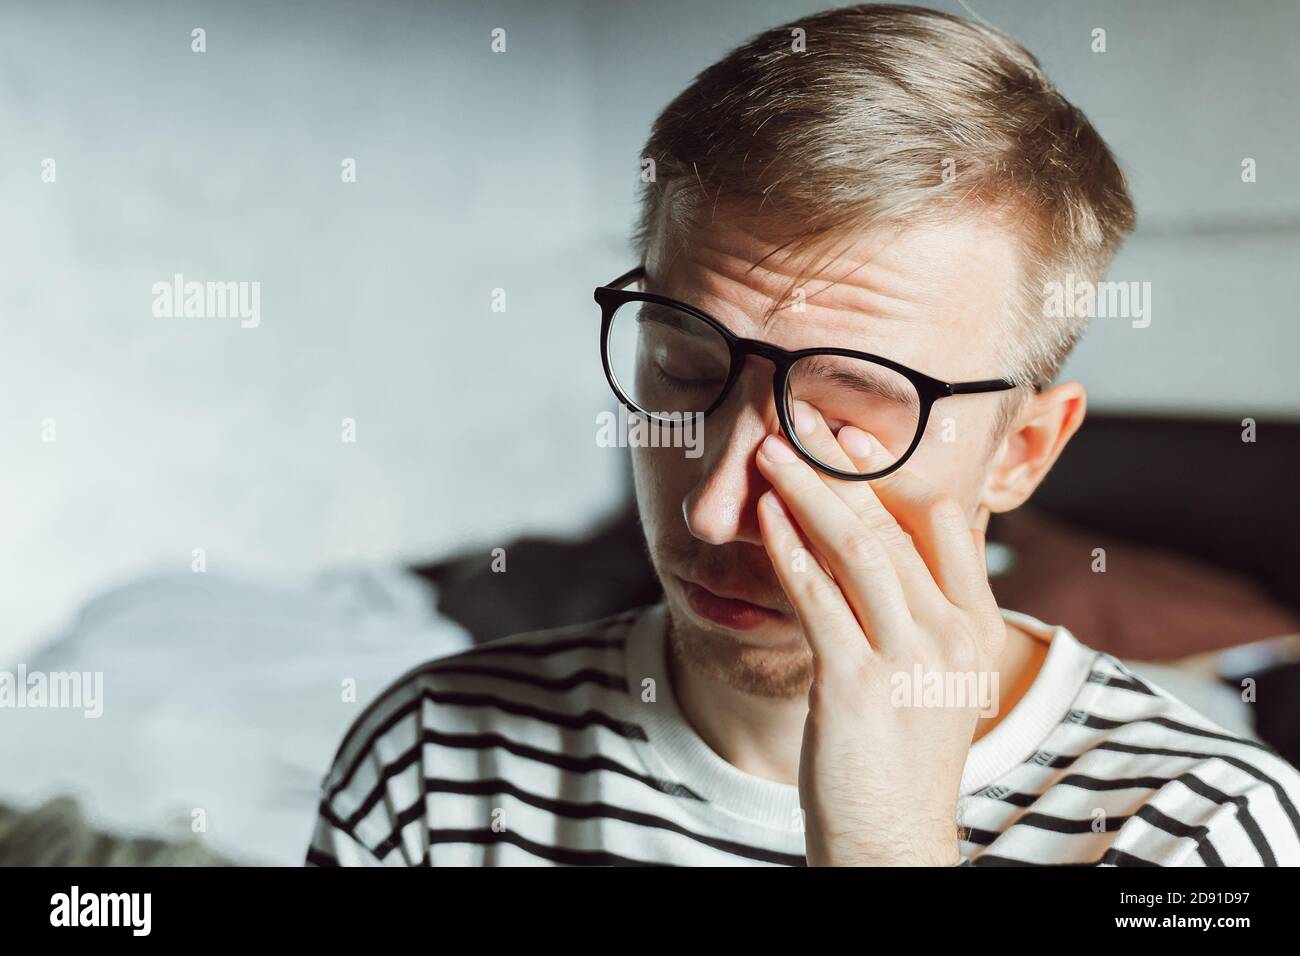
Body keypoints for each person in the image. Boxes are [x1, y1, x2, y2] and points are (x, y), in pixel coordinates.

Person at [307, 3, 1300, 866]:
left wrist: (888, 844)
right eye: (683, 369)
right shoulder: (432, 755)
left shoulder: (1196, 830)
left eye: (843, 415)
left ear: (1021, 451)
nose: (713, 503)